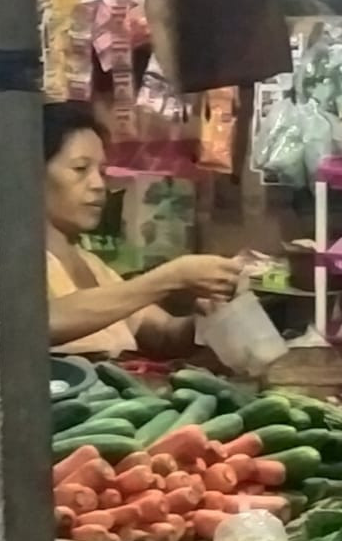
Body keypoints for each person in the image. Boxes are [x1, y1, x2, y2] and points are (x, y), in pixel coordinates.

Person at [44, 103, 241, 357]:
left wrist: (210, 319)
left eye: (102, 172)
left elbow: (165, 333)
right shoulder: (11, 262)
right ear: (29, 174)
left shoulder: (91, 265)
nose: (98, 184)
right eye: (81, 169)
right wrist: (173, 276)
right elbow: (44, 321)